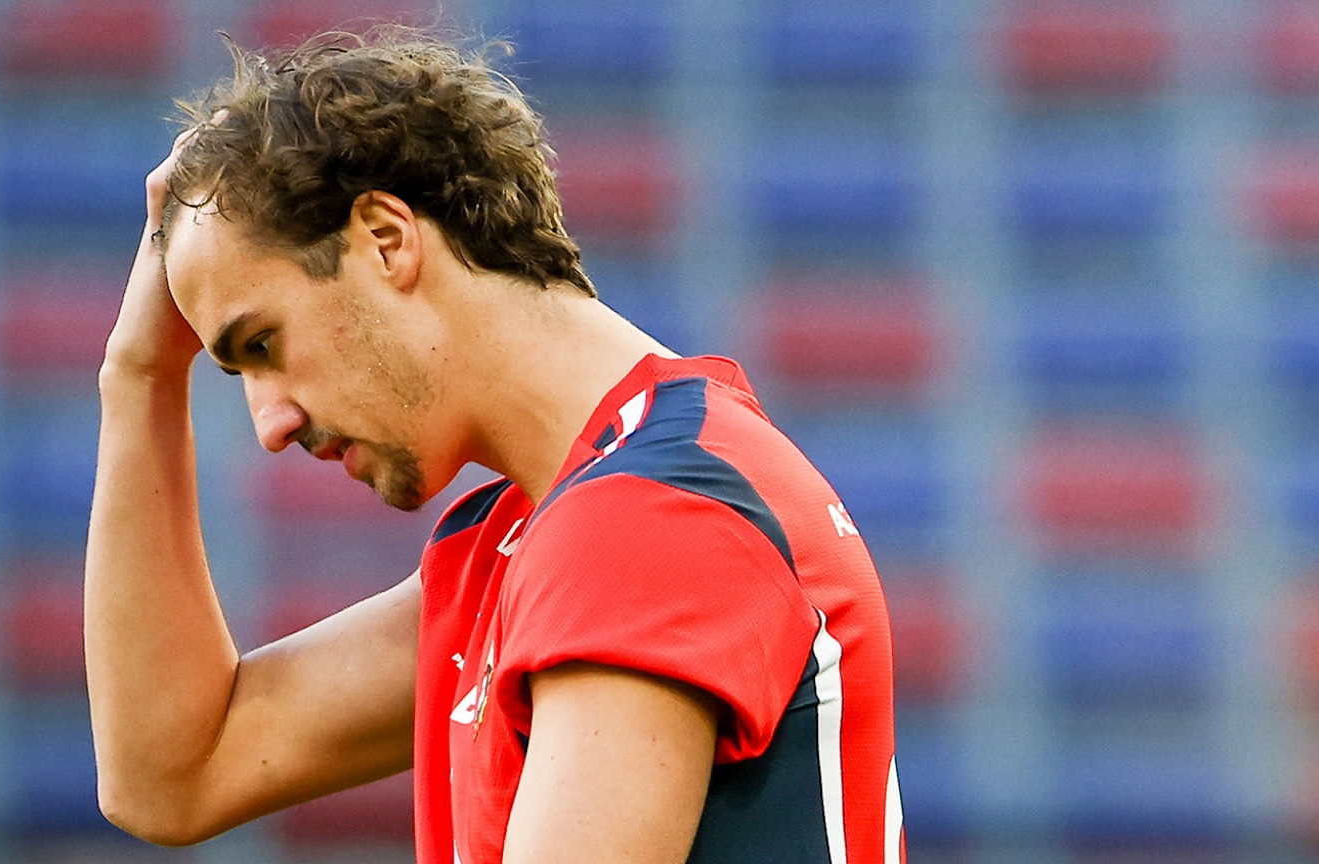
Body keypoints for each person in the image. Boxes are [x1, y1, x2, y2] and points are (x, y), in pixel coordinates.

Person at [85, 26, 902, 864]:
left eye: (263, 344)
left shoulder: (644, 521)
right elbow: (174, 775)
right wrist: (138, 376)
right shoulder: (549, 531)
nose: (271, 425)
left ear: (387, 240)